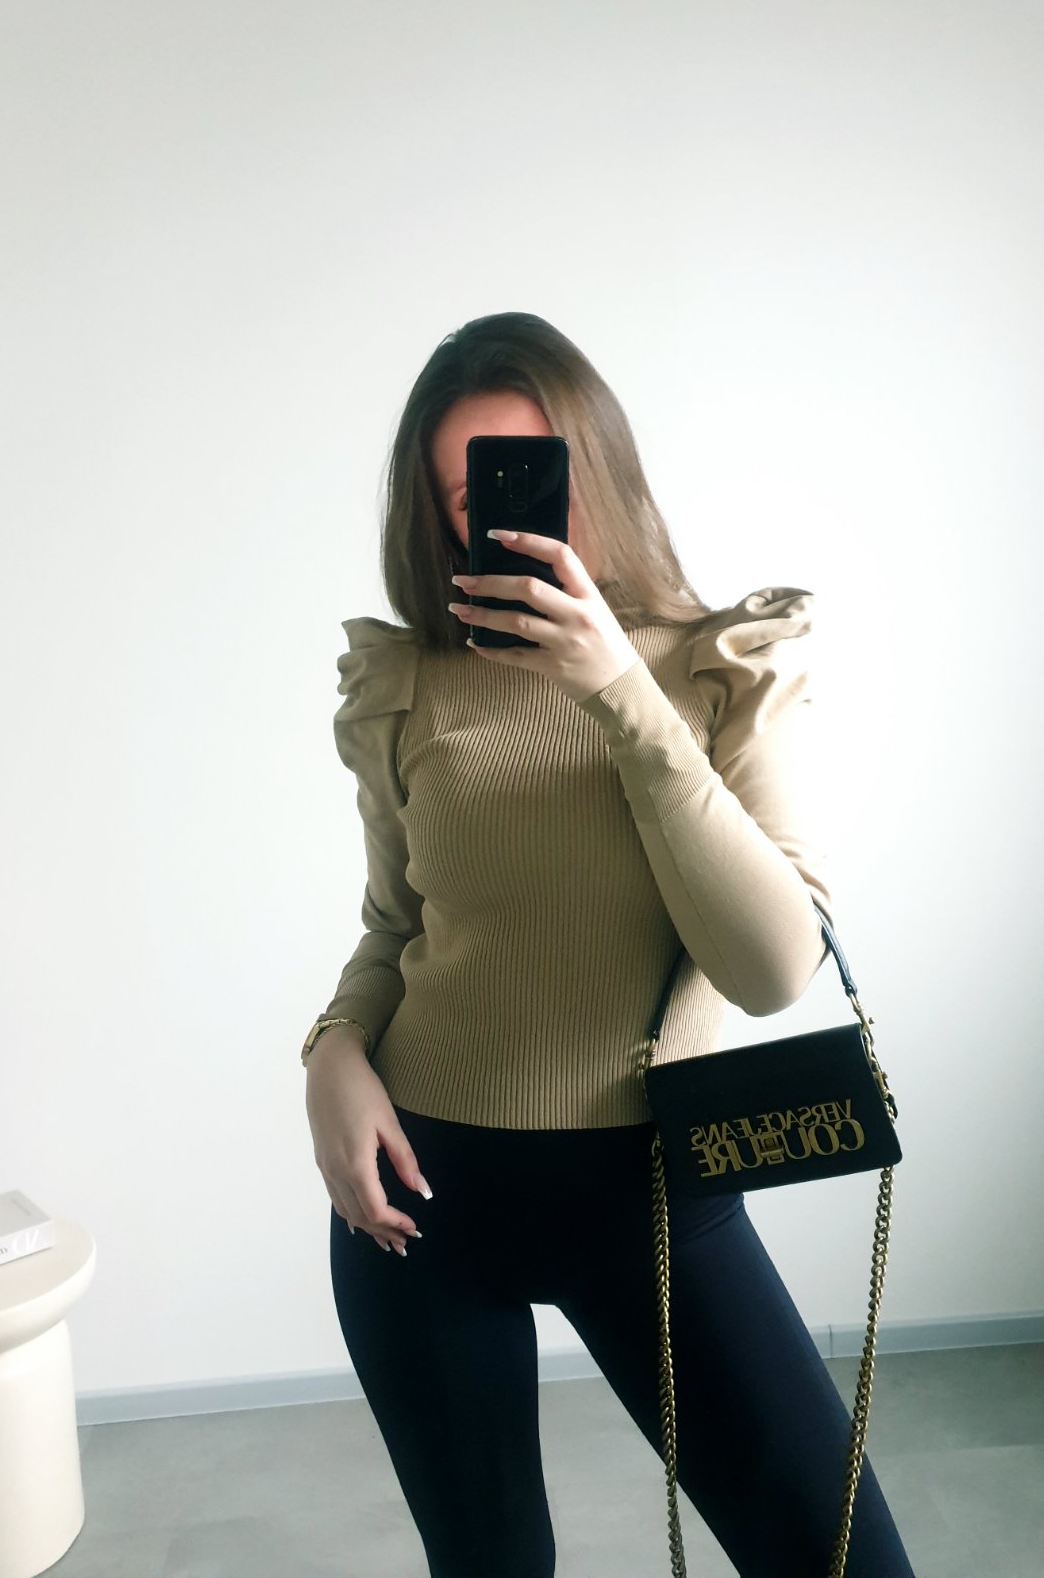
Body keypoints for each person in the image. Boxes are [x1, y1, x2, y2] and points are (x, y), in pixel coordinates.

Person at [302, 312, 914, 1578]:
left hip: (654, 1193)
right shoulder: (407, 685)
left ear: (603, 467)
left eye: (541, 474)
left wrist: (621, 692)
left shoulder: (718, 669)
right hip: (418, 1196)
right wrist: (331, 1052)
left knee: (842, 1559)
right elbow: (395, 927)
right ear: (439, 516)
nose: (519, 515)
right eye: (473, 492)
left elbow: (771, 968)